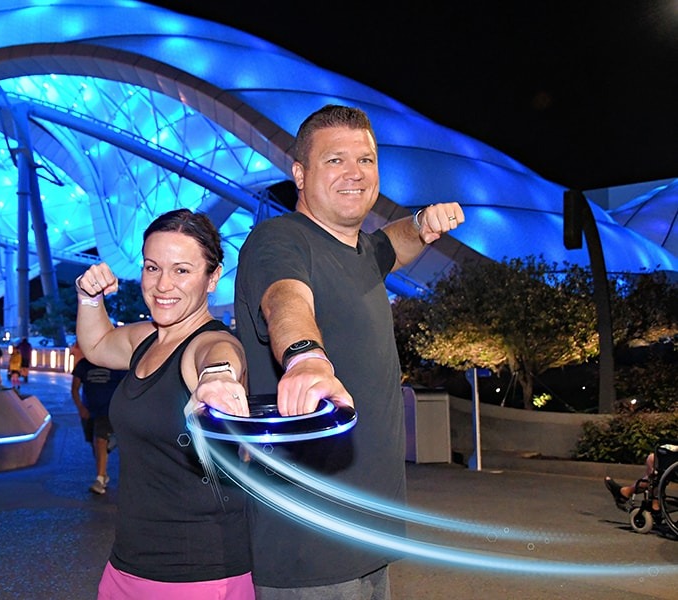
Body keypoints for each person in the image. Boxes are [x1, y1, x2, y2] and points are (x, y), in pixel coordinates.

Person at [233, 104, 465, 598]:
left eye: (367, 159)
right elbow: (285, 298)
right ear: (300, 173)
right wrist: (305, 357)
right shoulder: (279, 239)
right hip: (311, 543)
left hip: (369, 532)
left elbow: (393, 243)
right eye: (336, 160)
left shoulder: (361, 251)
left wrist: (423, 222)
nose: (356, 173)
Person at [76, 208, 254, 599]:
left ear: (213, 278)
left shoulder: (208, 343)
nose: (162, 285)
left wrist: (219, 378)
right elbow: (97, 345)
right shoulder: (149, 339)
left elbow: (219, 356)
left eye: (182, 270)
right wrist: (88, 297)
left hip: (198, 577)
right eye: (152, 268)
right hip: (127, 567)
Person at [70, 342, 127, 495]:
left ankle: (100, 479)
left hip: (108, 411)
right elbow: (74, 388)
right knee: (95, 443)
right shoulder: (83, 365)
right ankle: (104, 472)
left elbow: (126, 386)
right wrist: (80, 407)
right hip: (89, 411)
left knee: (100, 440)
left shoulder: (115, 365)